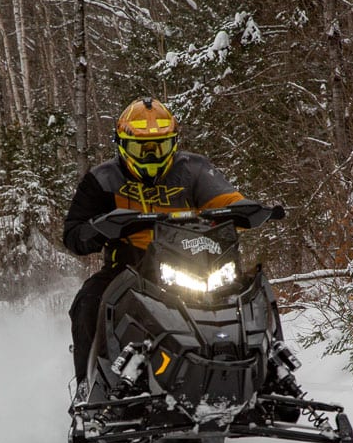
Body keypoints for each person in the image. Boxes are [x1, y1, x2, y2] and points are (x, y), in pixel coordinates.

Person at [63, 97, 247, 393]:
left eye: (158, 147)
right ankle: (88, 386)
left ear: (172, 143)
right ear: (122, 145)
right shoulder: (103, 179)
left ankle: (271, 367)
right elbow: (73, 232)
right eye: (141, 149)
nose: (150, 156)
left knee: (250, 292)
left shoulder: (194, 170)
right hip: (128, 268)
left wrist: (247, 209)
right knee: (88, 301)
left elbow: (225, 199)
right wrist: (100, 229)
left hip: (197, 262)